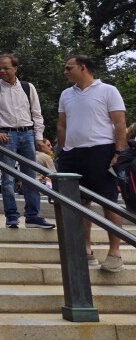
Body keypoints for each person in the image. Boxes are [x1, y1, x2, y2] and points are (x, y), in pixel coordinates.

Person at [56, 55, 128, 273]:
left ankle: (115, 252)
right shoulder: (66, 94)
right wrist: (61, 153)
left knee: (108, 202)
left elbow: (119, 122)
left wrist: (119, 152)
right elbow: (61, 126)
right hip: (72, 154)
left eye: (69, 68)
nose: (66, 72)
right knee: (79, 204)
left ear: (83, 67)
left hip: (101, 151)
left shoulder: (108, 90)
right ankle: (86, 249)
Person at [0, 54, 54, 229]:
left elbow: (37, 114)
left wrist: (38, 138)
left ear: (15, 68)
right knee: (8, 178)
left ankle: (33, 216)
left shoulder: (27, 87)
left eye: (6, 68)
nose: (2, 71)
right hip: (6, 135)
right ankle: (11, 216)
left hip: (26, 133)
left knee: (31, 176)